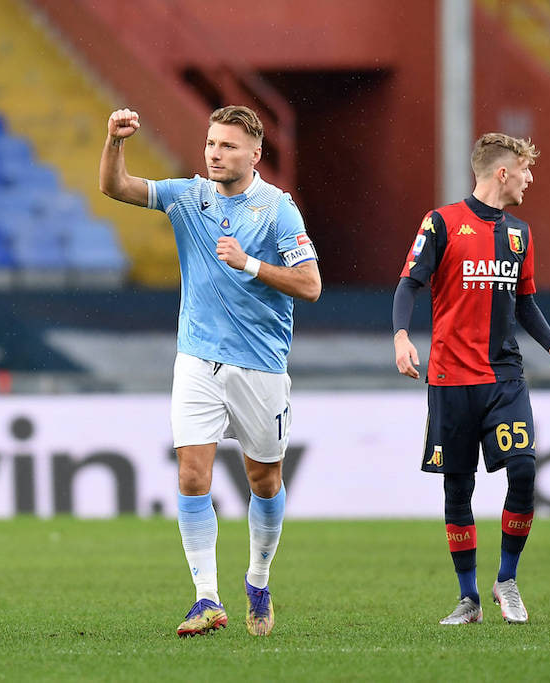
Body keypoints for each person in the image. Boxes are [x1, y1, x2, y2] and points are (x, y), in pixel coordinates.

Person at [99, 105, 321, 637]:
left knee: (263, 481)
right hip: (196, 359)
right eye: (210, 143)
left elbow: (310, 285)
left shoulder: (277, 210)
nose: (215, 154)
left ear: (254, 154)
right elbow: (117, 187)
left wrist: (248, 262)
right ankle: (206, 599)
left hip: (260, 365)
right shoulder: (188, 196)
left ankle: (259, 577)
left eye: (227, 146)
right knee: (191, 474)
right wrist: (114, 141)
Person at [392, 132, 550, 625]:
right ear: (502, 172)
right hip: (451, 378)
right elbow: (409, 283)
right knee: (459, 489)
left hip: (504, 377)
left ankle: (507, 579)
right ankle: (469, 598)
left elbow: (524, 302)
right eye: (525, 170)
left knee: (524, 470)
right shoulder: (442, 223)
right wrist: (401, 336)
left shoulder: (520, 234)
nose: (530, 178)